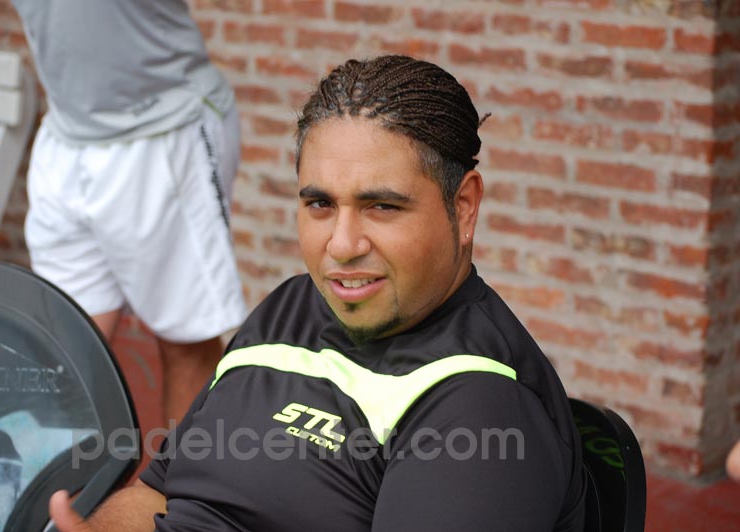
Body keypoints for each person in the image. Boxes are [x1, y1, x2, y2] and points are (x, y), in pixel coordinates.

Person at [49, 55, 586, 531]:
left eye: (382, 206)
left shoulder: (483, 404)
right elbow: (157, 494)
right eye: (321, 205)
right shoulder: (290, 309)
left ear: (463, 207)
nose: (342, 245)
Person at [10, 0, 247, 425]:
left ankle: (188, 472)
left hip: (163, 129)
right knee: (66, 347)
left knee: (185, 339)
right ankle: (85, 472)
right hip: (66, 136)